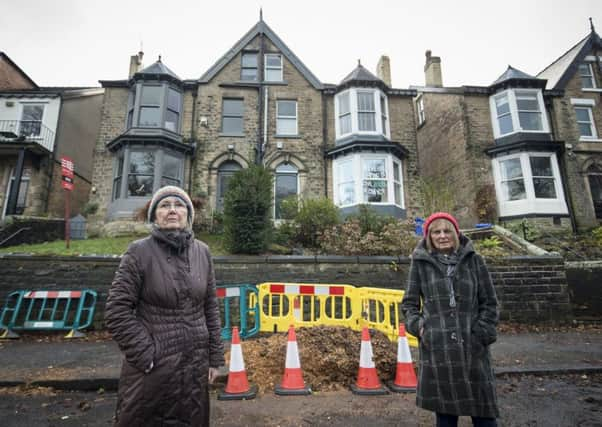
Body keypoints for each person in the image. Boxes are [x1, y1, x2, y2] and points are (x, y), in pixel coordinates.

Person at [105, 185, 224, 427]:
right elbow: (117, 310)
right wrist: (146, 354)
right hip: (154, 369)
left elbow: (210, 306)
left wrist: (215, 358)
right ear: (155, 215)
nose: (172, 210)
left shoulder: (203, 252)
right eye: (164, 205)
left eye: (179, 205)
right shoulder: (139, 252)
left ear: (188, 215)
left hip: (194, 367)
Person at [401, 212, 499, 427]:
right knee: (445, 418)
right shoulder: (421, 264)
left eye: (447, 231)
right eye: (436, 232)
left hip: (473, 349)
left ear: (456, 234)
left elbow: (490, 302)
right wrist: (421, 329)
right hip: (439, 351)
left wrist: (482, 333)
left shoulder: (474, 261)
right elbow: (409, 304)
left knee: (485, 417)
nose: (442, 236)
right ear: (429, 236)